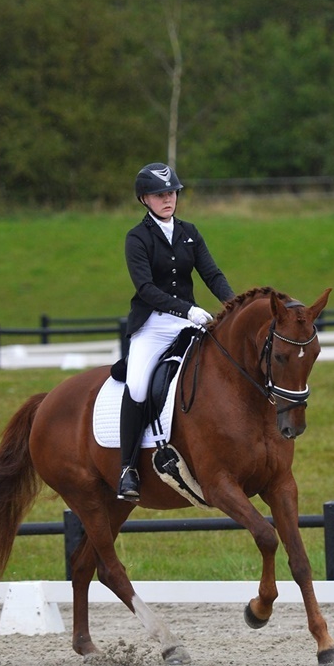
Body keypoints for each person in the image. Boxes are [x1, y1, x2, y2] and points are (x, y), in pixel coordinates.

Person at [117, 163, 236, 501]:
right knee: (138, 385)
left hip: (188, 322)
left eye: (171, 193)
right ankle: (128, 469)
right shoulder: (137, 238)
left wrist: (235, 306)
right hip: (153, 324)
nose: (167, 199)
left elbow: (212, 275)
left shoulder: (189, 232)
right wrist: (187, 309)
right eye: (159, 194)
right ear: (144, 199)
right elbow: (145, 289)